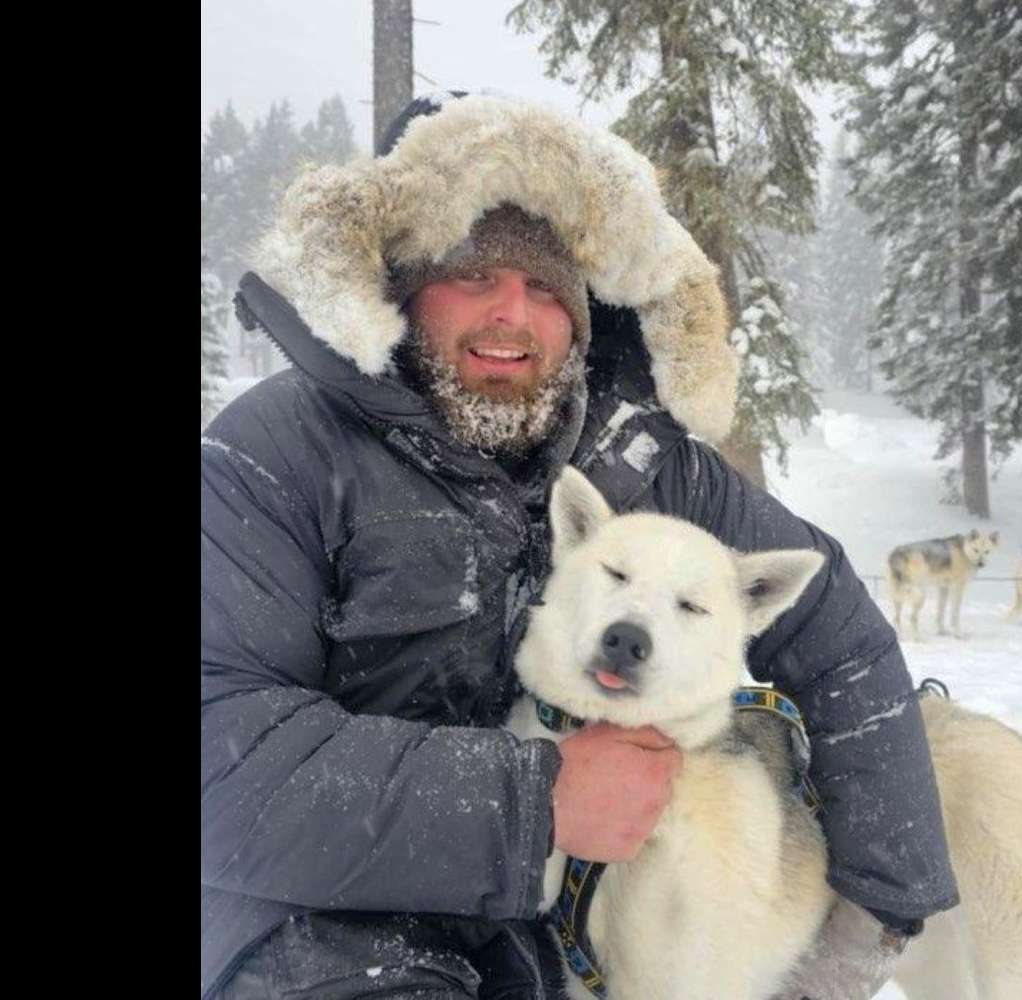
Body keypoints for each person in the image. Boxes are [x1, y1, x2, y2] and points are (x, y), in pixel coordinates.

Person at [201, 92, 958, 1000]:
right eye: (475, 276)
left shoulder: (646, 461)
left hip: (570, 926)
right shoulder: (274, 453)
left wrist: (874, 914)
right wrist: (537, 802)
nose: (512, 318)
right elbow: (223, 752)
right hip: (328, 923)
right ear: (403, 286)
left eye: (546, 290)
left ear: (583, 317)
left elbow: (843, 640)